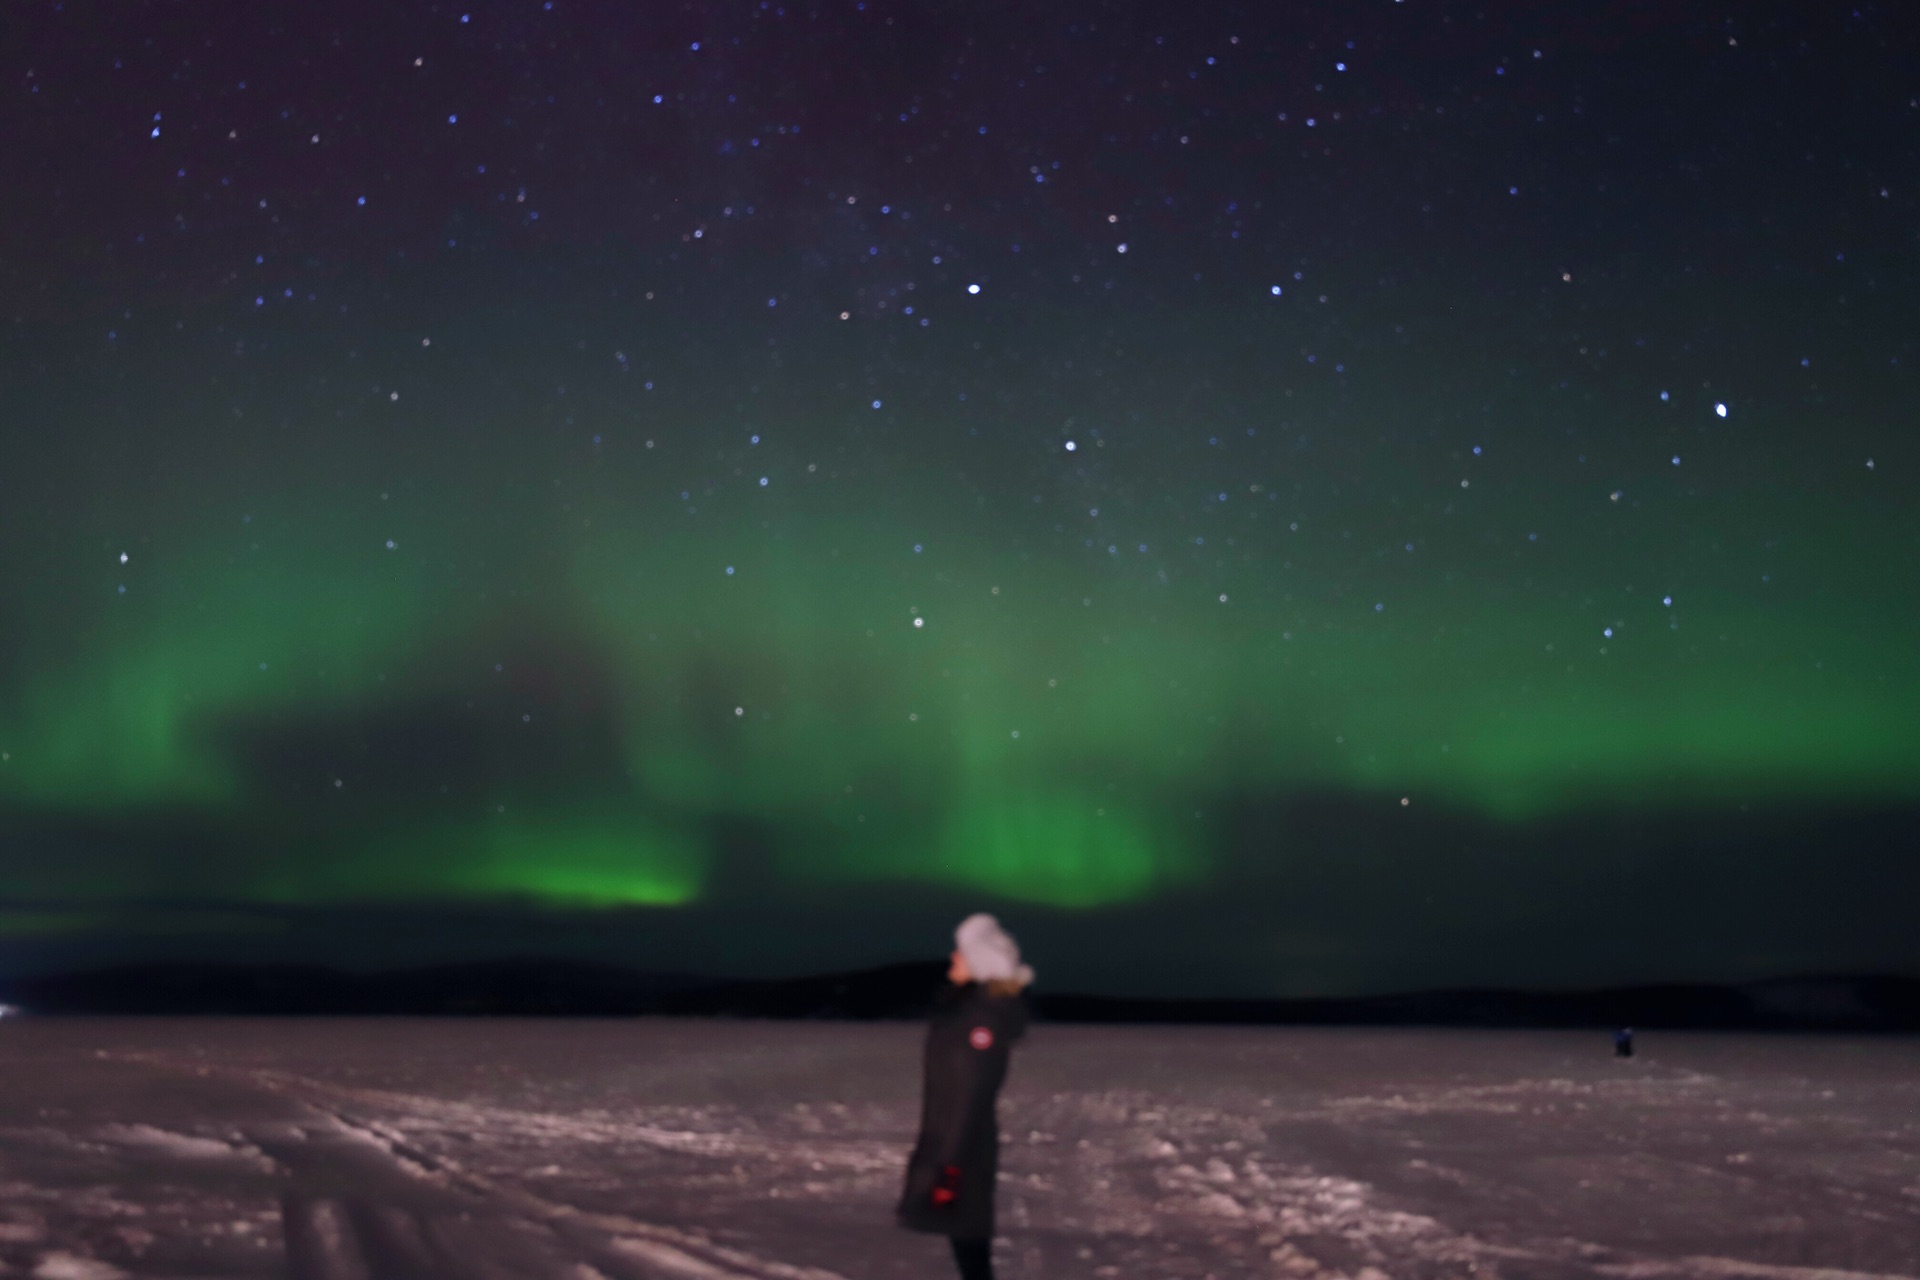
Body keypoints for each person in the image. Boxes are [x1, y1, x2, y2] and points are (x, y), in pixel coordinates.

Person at [897, 913, 1034, 1280]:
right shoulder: (969, 1014)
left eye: (961, 953)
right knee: (967, 1240)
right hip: (956, 1145)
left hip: (961, 1148)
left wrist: (949, 1167)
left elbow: (971, 1094)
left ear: (980, 964)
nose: (954, 959)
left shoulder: (979, 1022)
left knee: (969, 1241)